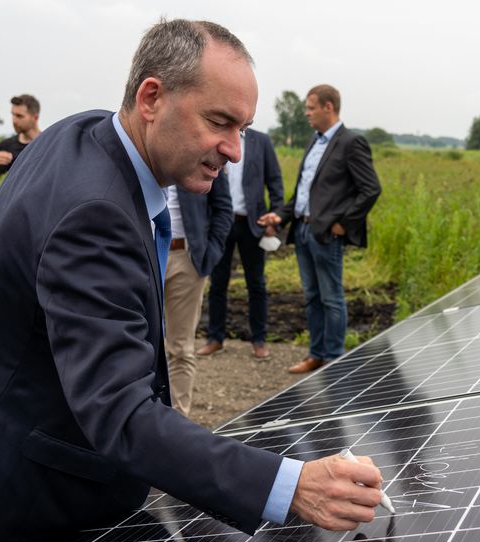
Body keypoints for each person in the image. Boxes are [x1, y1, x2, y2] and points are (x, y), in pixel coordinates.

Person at [0, 19, 384, 542]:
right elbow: (119, 413)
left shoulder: (88, 131)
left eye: (243, 128)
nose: (236, 151)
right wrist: (292, 486)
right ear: (151, 98)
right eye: (219, 122)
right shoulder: (94, 215)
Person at [259, 85, 381, 374]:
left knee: (331, 298)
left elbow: (371, 189)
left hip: (327, 234)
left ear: (329, 107)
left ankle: (334, 361)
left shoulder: (352, 142)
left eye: (311, 107)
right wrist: (280, 217)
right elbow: (303, 193)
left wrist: (343, 224)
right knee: (311, 297)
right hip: (302, 231)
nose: (306, 113)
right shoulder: (314, 142)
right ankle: (315, 355)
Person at [197, 127, 284, 360]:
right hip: (221, 222)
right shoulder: (216, 137)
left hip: (252, 223)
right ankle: (215, 338)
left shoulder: (261, 141)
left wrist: (275, 216)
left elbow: (274, 179)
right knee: (217, 283)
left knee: (256, 284)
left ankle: (259, 339)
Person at [162, 175, 233, 417]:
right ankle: (140, 420)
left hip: (185, 258)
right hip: (141, 253)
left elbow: (223, 208)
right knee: (139, 342)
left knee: (180, 347)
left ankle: (177, 421)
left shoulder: (198, 151)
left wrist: (209, 254)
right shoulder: (141, 150)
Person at [0, 94, 41, 187]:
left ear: (35, 117)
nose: (14, 120)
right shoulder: (5, 146)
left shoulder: (48, 143)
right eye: (13, 115)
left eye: (19, 116)